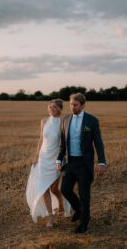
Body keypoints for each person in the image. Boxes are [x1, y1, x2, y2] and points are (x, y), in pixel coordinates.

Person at [56, 93, 106, 233]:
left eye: (76, 105)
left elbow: (98, 143)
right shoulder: (65, 120)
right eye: (71, 104)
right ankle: (78, 209)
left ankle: (84, 223)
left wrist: (101, 162)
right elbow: (62, 143)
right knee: (64, 189)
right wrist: (59, 159)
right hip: (70, 162)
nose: (72, 107)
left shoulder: (91, 121)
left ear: (83, 105)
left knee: (84, 195)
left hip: (84, 164)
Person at [26, 99, 71, 227]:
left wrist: (62, 158)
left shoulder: (63, 122)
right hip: (43, 158)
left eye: (54, 107)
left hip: (56, 159)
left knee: (54, 188)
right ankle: (51, 217)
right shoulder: (44, 121)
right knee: (44, 188)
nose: (51, 109)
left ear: (60, 109)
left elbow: (65, 142)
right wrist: (36, 157)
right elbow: (41, 139)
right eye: (50, 107)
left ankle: (61, 203)